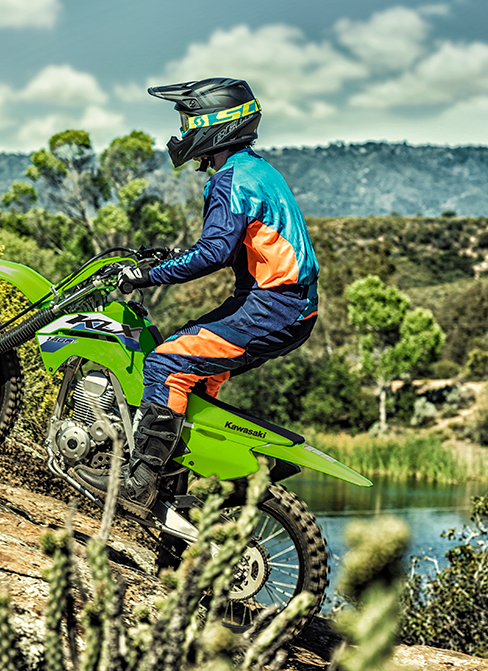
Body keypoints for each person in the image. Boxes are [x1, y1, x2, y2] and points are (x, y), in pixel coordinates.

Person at [77, 77, 319, 505]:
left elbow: (212, 254)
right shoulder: (256, 170)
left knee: (165, 365)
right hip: (281, 305)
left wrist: (144, 277)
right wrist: (168, 255)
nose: (184, 132)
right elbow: (233, 245)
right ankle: (174, 493)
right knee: (193, 375)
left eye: (190, 122)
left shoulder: (230, 180)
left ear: (216, 124)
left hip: (271, 307)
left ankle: (140, 484)